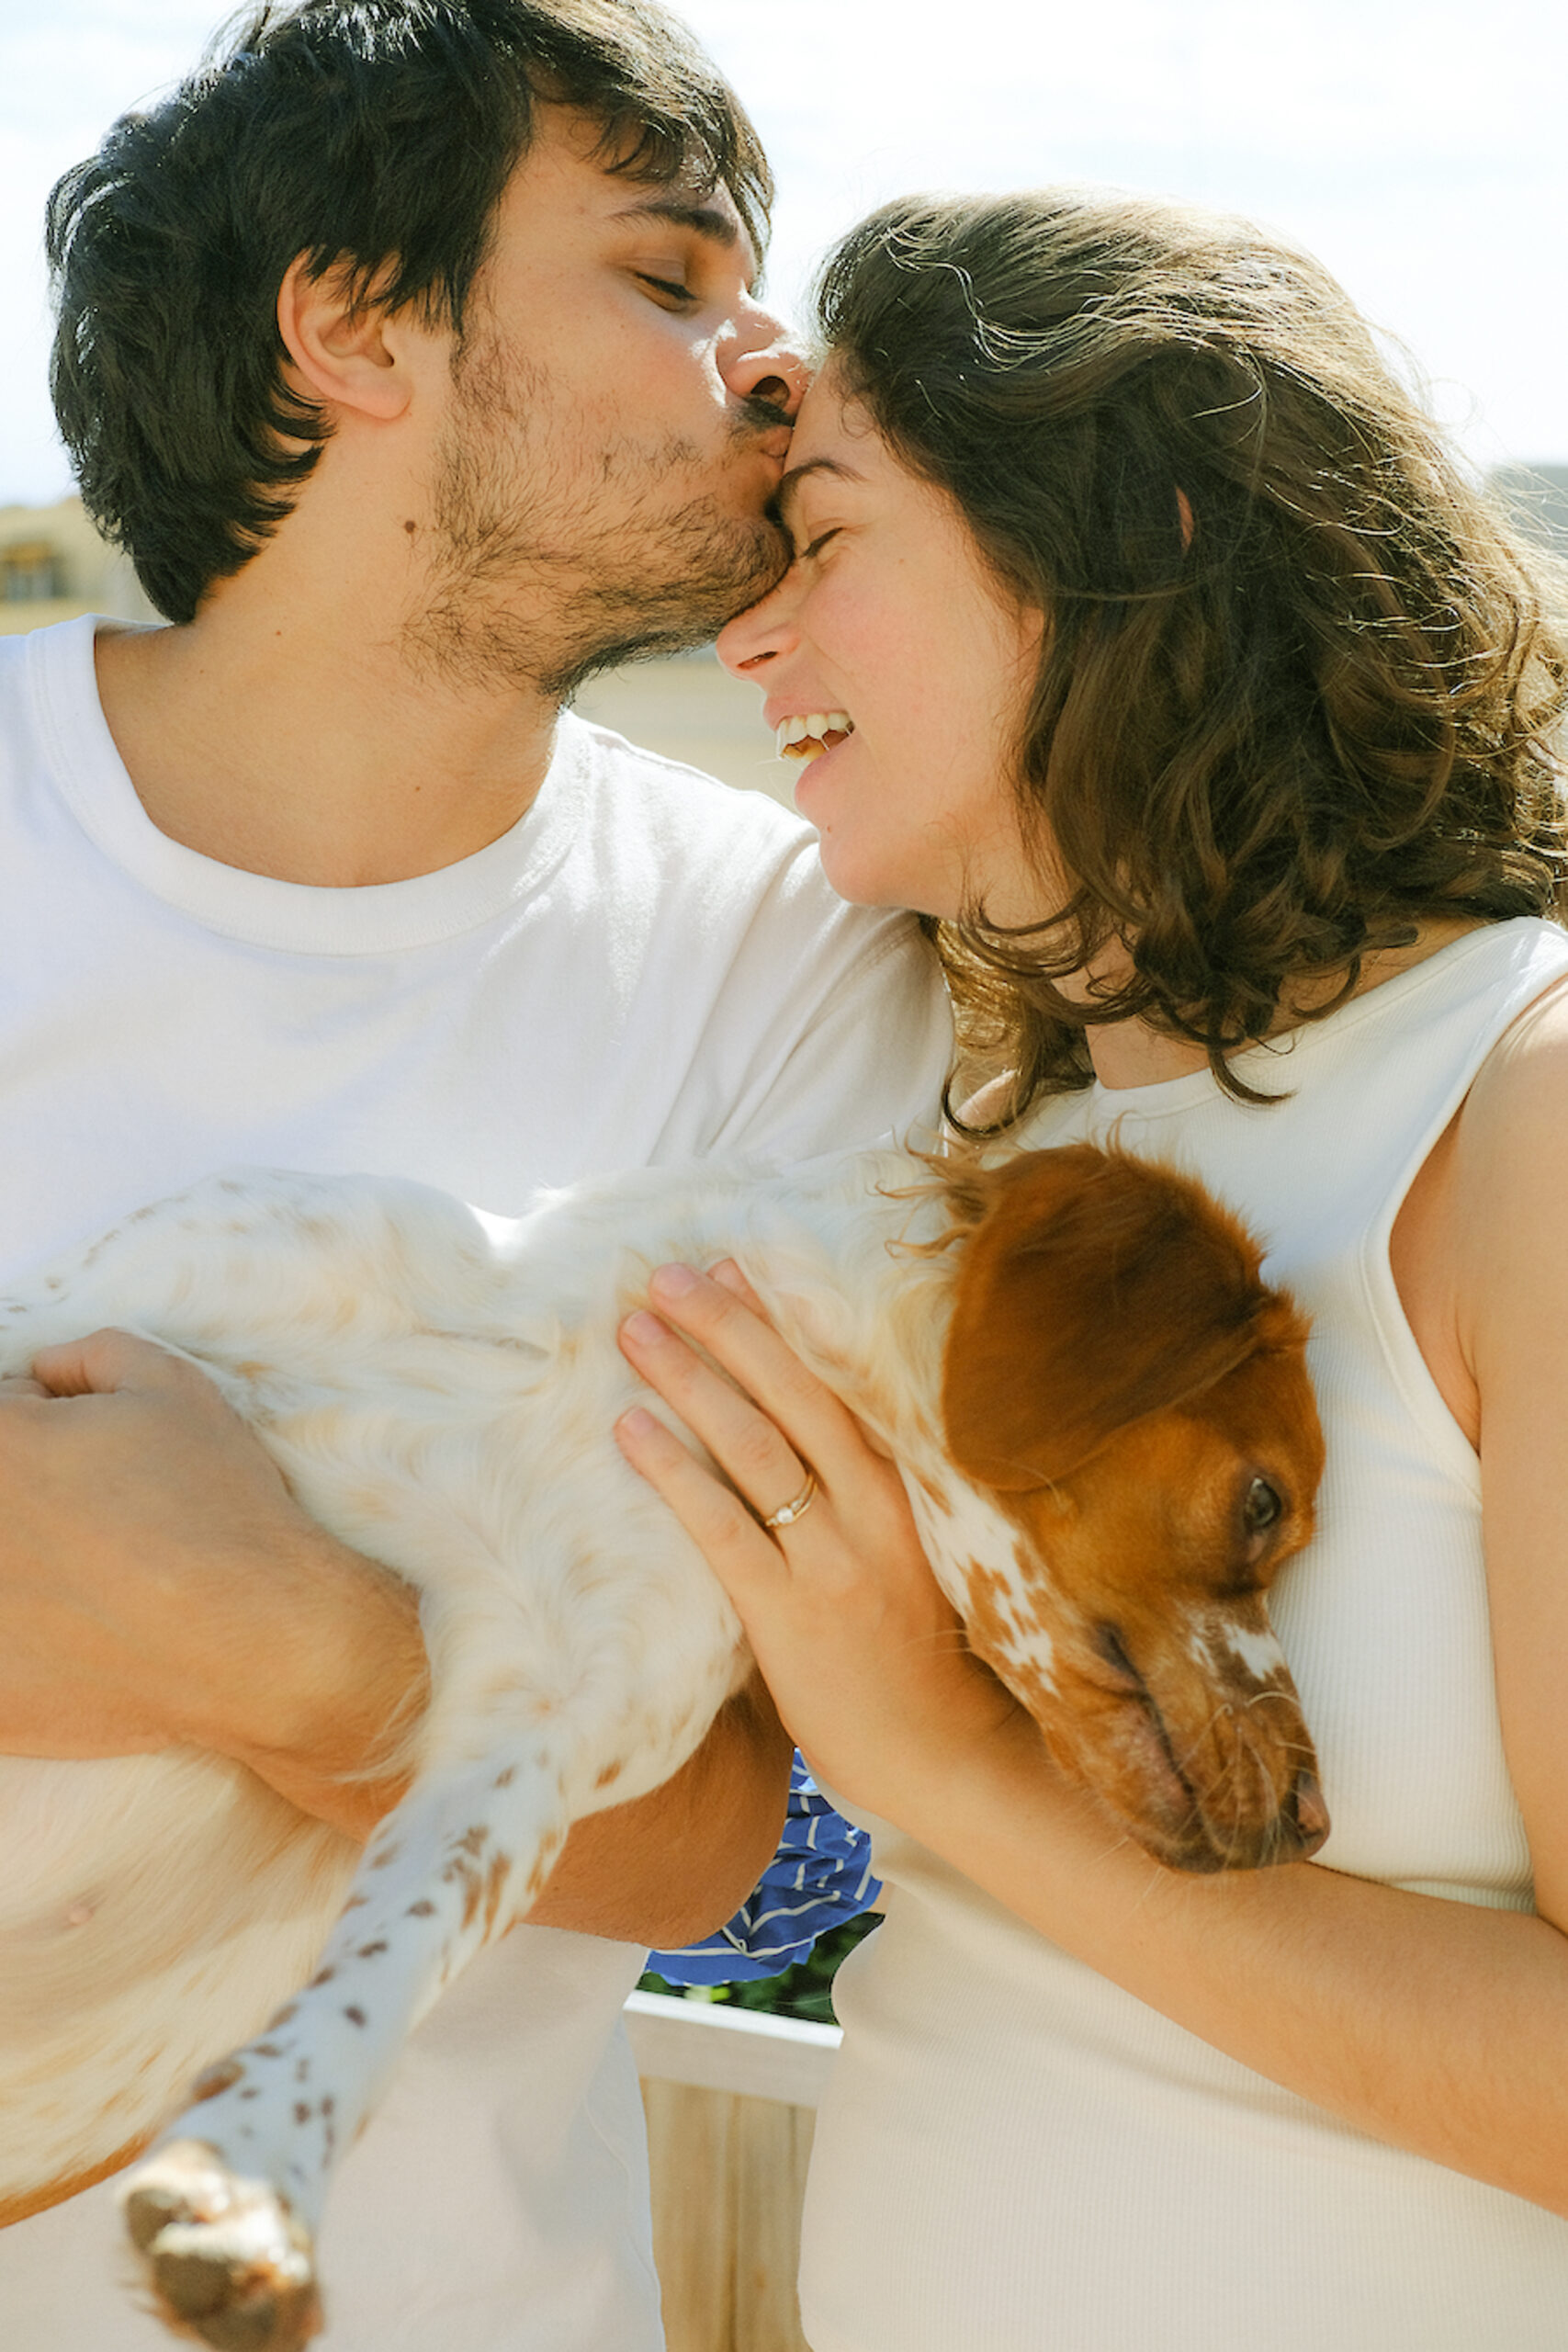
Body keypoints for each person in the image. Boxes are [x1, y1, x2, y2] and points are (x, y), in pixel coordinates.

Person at [0, 6, 951, 2347]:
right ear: (352, 326)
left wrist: (304, 1651)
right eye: (667, 275)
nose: (773, 364)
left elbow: (721, 1833)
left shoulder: (788, 963)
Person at [615, 187, 1568, 2348]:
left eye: (821, 541)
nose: (748, 643)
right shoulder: (980, 1169)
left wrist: (948, 1757)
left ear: (1134, 538)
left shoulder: (1517, 1113)